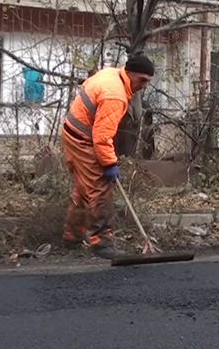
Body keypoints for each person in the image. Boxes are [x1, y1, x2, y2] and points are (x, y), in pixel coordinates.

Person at [61, 54, 156, 259]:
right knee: (100, 189)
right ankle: (102, 242)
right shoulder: (115, 95)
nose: (144, 86)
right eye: (142, 80)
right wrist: (109, 164)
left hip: (72, 132)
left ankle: (72, 235)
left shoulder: (112, 74)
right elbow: (102, 137)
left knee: (84, 188)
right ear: (129, 73)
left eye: (148, 81)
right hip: (83, 139)